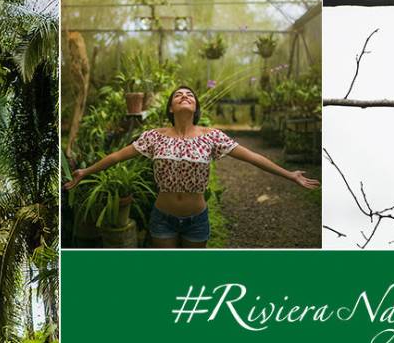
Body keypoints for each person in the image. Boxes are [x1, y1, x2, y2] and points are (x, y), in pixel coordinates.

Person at [64, 85, 319, 248]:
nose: (184, 97)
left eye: (189, 96)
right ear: (171, 107)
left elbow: (252, 157)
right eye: (178, 95)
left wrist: (290, 175)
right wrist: (86, 171)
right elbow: (118, 156)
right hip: (162, 218)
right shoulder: (154, 136)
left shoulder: (212, 136)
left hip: (197, 219)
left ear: (194, 107)